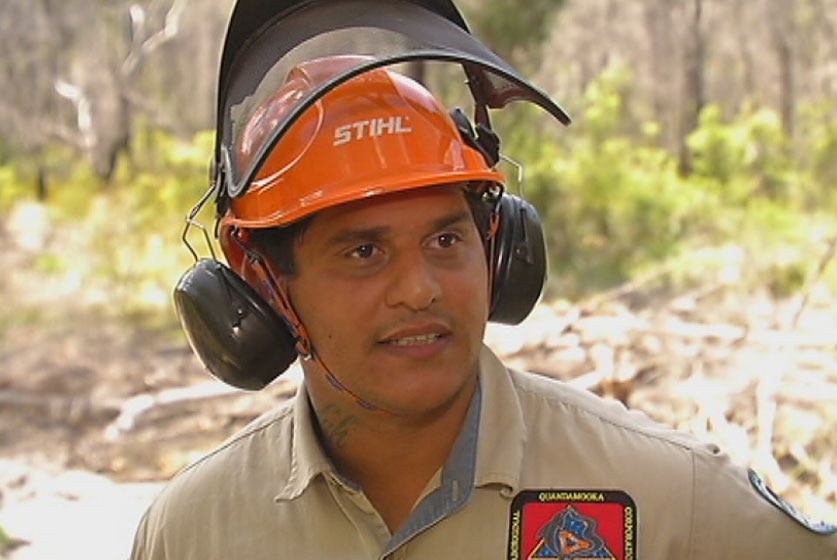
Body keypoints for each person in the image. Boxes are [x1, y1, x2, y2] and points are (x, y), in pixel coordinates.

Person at [131, 2, 837, 559]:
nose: (420, 289)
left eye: (445, 239)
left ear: (502, 251)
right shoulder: (192, 533)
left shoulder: (665, 496)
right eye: (362, 253)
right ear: (259, 283)